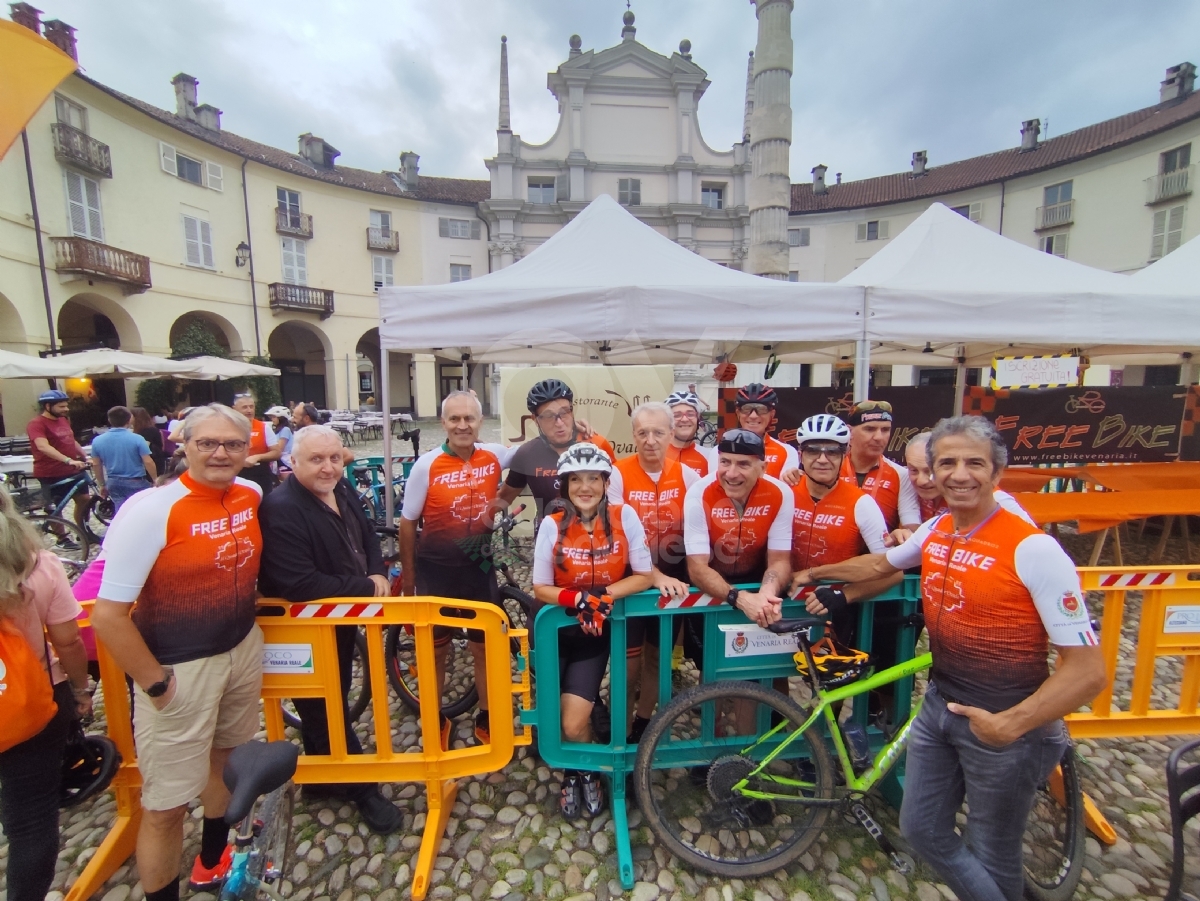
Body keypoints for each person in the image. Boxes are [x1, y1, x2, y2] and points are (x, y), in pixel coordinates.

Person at [800, 416, 1107, 901]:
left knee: (993, 854)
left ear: (997, 472)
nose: (959, 474)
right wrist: (810, 572)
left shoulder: (1033, 547)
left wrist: (1012, 724)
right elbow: (881, 563)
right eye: (947, 463)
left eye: (974, 463)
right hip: (940, 708)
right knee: (921, 829)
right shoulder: (938, 526)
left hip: (1005, 723)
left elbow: (1089, 670)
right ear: (932, 473)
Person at [91, 404, 265, 901]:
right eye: (207, 443)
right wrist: (157, 684)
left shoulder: (249, 494)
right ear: (182, 446)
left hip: (239, 648)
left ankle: (211, 860)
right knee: (166, 805)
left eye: (232, 444)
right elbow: (107, 614)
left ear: (247, 450)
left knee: (225, 763)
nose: (220, 453)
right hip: (179, 667)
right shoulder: (151, 509)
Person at [257, 425, 402, 833]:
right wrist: (366, 587)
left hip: (339, 616)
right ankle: (363, 790)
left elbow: (368, 533)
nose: (328, 467)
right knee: (321, 704)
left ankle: (322, 777)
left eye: (334, 458)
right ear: (293, 462)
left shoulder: (340, 487)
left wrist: (377, 570)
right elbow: (297, 583)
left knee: (332, 694)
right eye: (317, 460)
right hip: (302, 626)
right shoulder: (281, 507)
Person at [531, 443, 654, 818]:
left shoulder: (624, 516)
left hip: (590, 638)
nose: (585, 487)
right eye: (576, 479)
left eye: (594, 479)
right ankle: (576, 770)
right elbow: (539, 587)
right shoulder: (552, 524)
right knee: (551, 721)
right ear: (565, 485)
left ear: (605, 482)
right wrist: (580, 600)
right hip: (554, 635)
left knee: (572, 720)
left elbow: (645, 575)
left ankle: (582, 768)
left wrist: (604, 595)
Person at [400, 391, 515, 746]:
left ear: (480, 421)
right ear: (443, 423)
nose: (462, 425)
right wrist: (409, 581)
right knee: (435, 651)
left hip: (479, 569)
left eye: (469, 418)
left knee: (485, 648)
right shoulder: (427, 465)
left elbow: (534, 450)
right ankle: (431, 717)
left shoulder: (494, 455)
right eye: (454, 419)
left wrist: (577, 431)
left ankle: (487, 714)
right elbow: (407, 523)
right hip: (436, 571)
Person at [0, 485, 91, 901]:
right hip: (29, 702)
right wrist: (80, 689)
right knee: (32, 821)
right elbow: (69, 641)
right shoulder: (39, 566)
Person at [607, 402, 694, 740]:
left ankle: (643, 724)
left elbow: (698, 533)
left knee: (658, 660)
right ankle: (620, 730)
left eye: (659, 432)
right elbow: (618, 535)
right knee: (627, 668)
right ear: (633, 436)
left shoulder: (688, 476)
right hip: (631, 582)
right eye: (643, 433)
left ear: (672, 435)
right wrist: (655, 575)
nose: (651, 440)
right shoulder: (617, 473)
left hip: (673, 583)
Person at [683, 429, 793, 630]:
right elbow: (697, 568)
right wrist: (740, 598)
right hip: (710, 585)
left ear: (763, 468)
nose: (731, 474)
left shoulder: (780, 493)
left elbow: (780, 560)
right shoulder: (699, 493)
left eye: (743, 464)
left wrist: (767, 592)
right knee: (705, 658)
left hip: (756, 581)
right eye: (725, 462)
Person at [494, 379, 617, 518]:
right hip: (549, 535)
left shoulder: (597, 445)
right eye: (548, 416)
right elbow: (502, 499)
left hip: (595, 535)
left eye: (564, 412)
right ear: (535, 419)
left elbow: (618, 492)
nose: (559, 423)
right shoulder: (527, 454)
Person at [902, 431, 1032, 528]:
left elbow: (1034, 539)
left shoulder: (995, 498)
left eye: (929, 471)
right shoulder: (906, 482)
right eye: (913, 470)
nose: (921, 481)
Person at [838, 400, 920, 532]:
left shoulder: (901, 475)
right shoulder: (831, 468)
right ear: (850, 432)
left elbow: (911, 526)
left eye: (885, 430)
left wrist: (904, 536)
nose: (878, 437)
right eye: (869, 429)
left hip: (880, 550)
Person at [707, 383, 797, 479]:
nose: (753, 416)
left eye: (761, 409)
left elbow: (784, 490)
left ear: (772, 414)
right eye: (747, 409)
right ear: (738, 413)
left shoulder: (787, 452)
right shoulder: (717, 451)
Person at [28, 389, 89, 531]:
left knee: (85, 499)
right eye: (61, 406)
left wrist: (85, 456)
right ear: (47, 406)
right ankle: (62, 538)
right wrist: (68, 460)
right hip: (50, 472)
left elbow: (70, 440)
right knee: (55, 507)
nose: (66, 409)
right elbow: (42, 446)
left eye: (66, 405)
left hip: (72, 470)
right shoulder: (37, 423)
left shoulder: (63, 420)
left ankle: (82, 531)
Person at [91, 406, 157, 511]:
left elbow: (96, 464)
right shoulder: (137, 439)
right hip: (136, 480)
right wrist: (155, 479)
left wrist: (102, 484)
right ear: (130, 419)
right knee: (142, 509)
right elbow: (148, 461)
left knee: (121, 510)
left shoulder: (97, 440)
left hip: (113, 481)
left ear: (109, 420)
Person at [232, 393, 284, 495]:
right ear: (234, 409)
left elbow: (277, 453)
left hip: (260, 475)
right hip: (236, 474)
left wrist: (258, 457)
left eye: (251, 406)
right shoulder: (228, 428)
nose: (249, 410)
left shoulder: (263, 427)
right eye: (244, 407)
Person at [664, 390, 710, 476]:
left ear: (698, 419)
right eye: (677, 415)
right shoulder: (655, 455)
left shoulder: (710, 457)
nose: (685, 419)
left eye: (690, 414)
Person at [132, 406, 167, 477]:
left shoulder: (147, 431)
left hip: (153, 461)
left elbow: (144, 448)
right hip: (152, 460)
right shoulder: (147, 429)